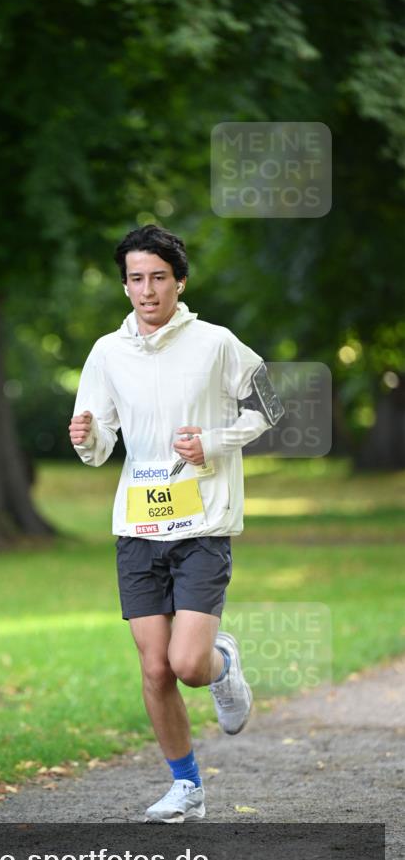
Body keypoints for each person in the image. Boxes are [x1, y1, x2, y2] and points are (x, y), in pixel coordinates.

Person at [69, 224, 283, 823]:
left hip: (202, 522)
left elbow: (270, 405)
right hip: (138, 525)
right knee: (155, 666)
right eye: (135, 279)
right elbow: (101, 441)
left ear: (179, 282)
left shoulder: (215, 343)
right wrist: (87, 440)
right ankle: (186, 788)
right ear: (125, 285)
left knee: (188, 665)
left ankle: (221, 662)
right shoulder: (107, 353)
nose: (146, 290)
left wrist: (213, 443)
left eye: (158, 278)